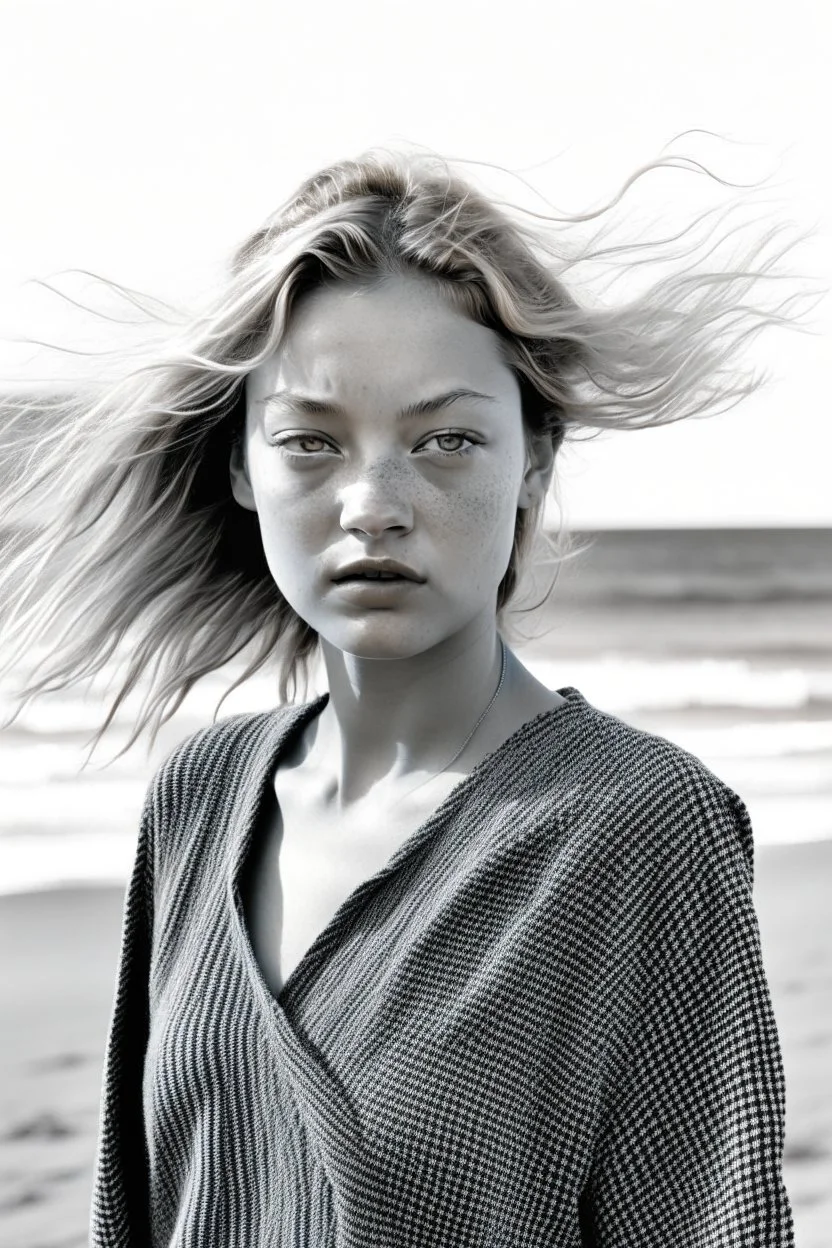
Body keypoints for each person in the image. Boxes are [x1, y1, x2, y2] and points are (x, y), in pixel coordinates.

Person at [0, 142, 802, 1245]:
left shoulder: (636, 827)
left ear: (532, 459)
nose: (373, 503)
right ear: (242, 465)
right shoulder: (200, 796)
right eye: (310, 443)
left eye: (446, 440)